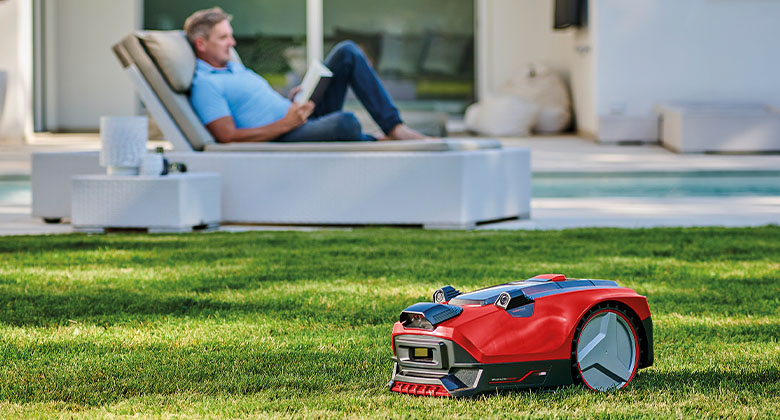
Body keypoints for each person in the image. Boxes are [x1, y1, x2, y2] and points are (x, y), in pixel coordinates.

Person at [184, 7, 426, 143]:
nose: (233, 42)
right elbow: (227, 137)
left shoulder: (232, 67)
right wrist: (286, 123)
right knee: (346, 122)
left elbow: (257, 105)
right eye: (224, 37)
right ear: (201, 44)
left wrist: (292, 102)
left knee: (347, 52)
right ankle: (373, 140)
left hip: (296, 117)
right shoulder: (205, 85)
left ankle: (393, 128)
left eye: (231, 35)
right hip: (284, 135)